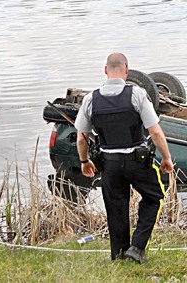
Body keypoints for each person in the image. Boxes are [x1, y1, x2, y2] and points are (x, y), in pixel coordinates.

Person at [74, 52, 173, 263]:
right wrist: (167, 158)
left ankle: (119, 254)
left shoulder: (91, 99)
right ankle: (137, 247)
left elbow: (82, 138)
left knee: (115, 207)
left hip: (109, 164)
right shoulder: (137, 94)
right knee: (154, 196)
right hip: (137, 162)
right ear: (127, 70)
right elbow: (155, 132)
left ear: (105, 70)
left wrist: (84, 161)